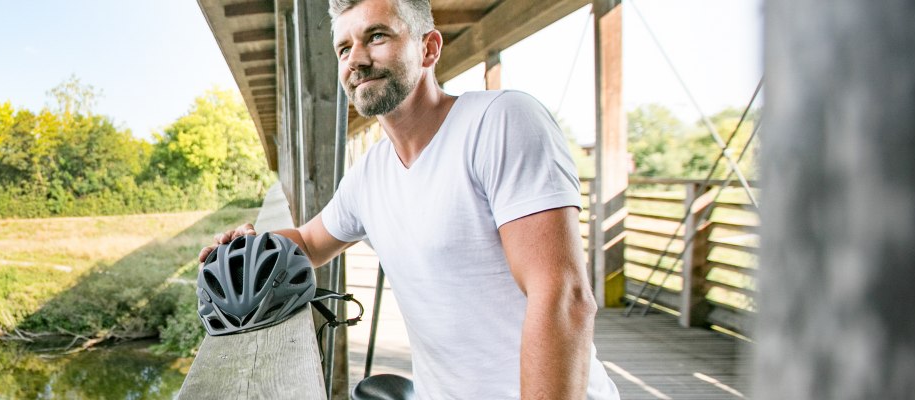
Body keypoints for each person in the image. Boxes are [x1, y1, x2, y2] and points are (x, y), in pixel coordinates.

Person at [196, 0, 622, 398]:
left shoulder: (500, 122)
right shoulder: (368, 175)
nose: (357, 60)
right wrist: (249, 245)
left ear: (429, 48)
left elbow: (564, 297)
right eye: (344, 48)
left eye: (377, 37)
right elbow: (307, 244)